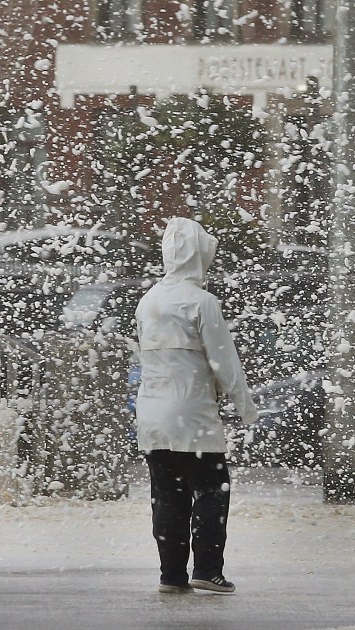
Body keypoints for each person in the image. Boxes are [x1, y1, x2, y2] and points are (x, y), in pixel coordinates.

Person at [134, 217, 258, 594]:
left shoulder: (148, 301)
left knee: (167, 495)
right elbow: (224, 361)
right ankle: (207, 569)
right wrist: (246, 408)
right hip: (193, 412)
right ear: (200, 256)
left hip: (152, 412)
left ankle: (171, 575)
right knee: (211, 488)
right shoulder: (203, 303)